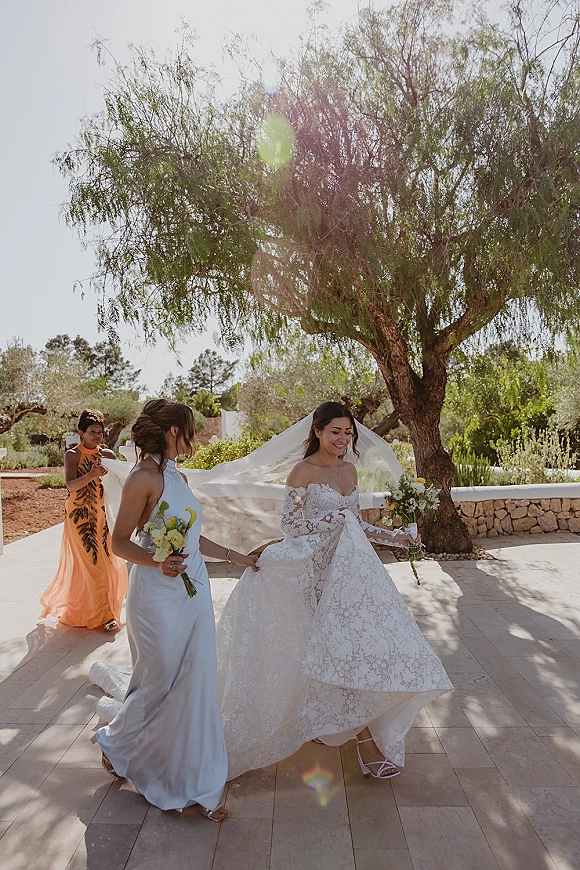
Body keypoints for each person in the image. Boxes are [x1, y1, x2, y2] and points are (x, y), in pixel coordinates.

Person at [217, 401, 453, 781]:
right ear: (317, 432)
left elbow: (355, 523)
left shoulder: (350, 470)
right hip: (306, 571)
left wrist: (396, 537)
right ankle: (363, 742)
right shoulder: (302, 471)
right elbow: (291, 525)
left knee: (353, 649)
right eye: (335, 432)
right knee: (324, 652)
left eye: (348, 433)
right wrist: (332, 517)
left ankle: (344, 730)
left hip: (345, 574)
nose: (342, 439)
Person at [93, 399, 259, 821]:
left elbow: (192, 538)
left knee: (196, 681)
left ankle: (203, 782)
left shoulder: (178, 476)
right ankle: (117, 744)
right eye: (190, 429)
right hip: (156, 594)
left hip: (194, 591)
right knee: (158, 682)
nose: (196, 436)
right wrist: (157, 562)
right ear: (171, 432)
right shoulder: (142, 478)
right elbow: (119, 542)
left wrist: (236, 557)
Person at [40, 409, 128, 631]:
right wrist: (91, 474)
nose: (97, 436)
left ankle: (105, 606)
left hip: (104, 517)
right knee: (94, 563)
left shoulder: (108, 455)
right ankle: (106, 616)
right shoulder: (72, 455)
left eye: (100, 432)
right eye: (92, 432)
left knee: (110, 562)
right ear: (81, 432)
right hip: (81, 517)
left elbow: (121, 482)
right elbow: (70, 486)